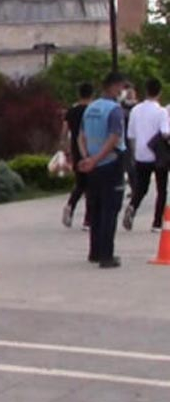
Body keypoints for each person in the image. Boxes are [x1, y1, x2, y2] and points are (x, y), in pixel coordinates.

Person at [78, 71, 128, 269]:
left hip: (93, 166)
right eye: (121, 87)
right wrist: (98, 158)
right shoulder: (114, 110)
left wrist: (87, 158)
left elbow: (80, 136)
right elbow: (114, 138)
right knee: (110, 210)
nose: (122, 91)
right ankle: (107, 255)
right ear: (114, 87)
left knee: (96, 208)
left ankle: (95, 251)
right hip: (111, 162)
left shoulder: (90, 108)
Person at [124, 78, 169, 232]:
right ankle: (156, 223)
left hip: (140, 155)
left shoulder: (136, 110)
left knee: (141, 188)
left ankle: (132, 206)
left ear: (146, 90)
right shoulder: (161, 111)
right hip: (158, 156)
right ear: (159, 92)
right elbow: (165, 133)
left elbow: (130, 135)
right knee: (161, 189)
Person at [62, 83, 94, 230]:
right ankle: (88, 220)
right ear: (92, 94)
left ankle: (70, 205)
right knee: (91, 187)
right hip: (90, 150)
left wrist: (66, 149)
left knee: (80, 183)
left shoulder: (72, 111)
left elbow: (64, 132)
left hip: (76, 149)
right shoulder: (92, 111)